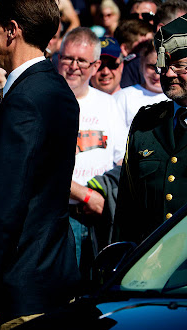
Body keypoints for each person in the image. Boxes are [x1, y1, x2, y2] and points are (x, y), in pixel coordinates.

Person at [0, 0, 81, 330]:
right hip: (53, 276)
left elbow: (7, 205)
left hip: (23, 289)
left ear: (12, 31)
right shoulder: (55, 88)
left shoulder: (25, 100)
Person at [57, 27, 128, 269]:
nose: (74, 66)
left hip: (101, 216)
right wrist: (86, 196)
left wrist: (102, 196)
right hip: (62, 216)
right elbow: (42, 165)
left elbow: (121, 159)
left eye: (82, 61)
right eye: (68, 58)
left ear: (95, 66)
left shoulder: (108, 104)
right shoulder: (46, 101)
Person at [114, 16, 187, 244]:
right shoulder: (146, 122)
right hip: (150, 267)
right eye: (163, 65)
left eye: (179, 65)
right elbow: (127, 210)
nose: (168, 73)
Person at [115, 40, 169, 128]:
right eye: (152, 66)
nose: (156, 74)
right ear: (141, 65)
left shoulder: (181, 99)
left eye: (163, 67)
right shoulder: (123, 97)